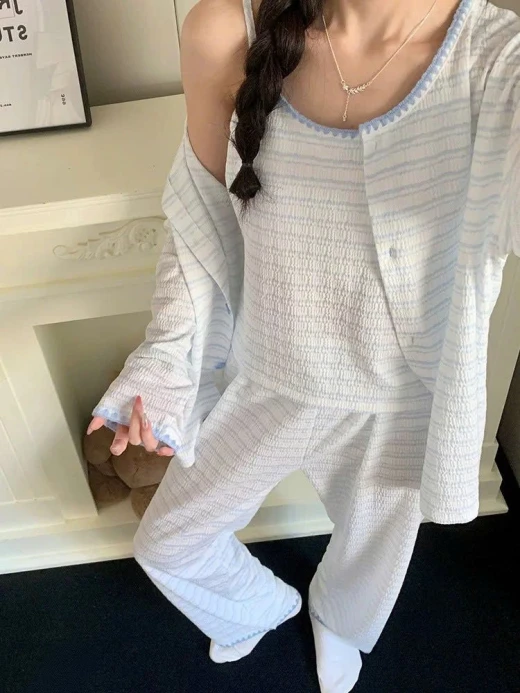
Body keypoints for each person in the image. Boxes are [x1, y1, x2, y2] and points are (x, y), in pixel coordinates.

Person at [88, 0, 520, 690]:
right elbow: (200, 219)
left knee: (370, 558)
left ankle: (339, 623)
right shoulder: (227, 29)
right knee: (169, 538)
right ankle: (257, 609)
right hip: (269, 376)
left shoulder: (496, 58)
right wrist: (166, 357)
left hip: (399, 398)